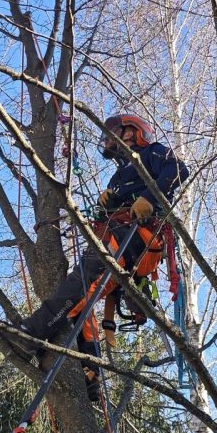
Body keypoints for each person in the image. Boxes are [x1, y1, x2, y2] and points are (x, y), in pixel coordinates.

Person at [19, 113, 189, 394]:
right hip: (116, 238)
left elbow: (178, 170)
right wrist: (106, 204)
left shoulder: (152, 153)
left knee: (85, 279)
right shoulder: (118, 176)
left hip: (141, 236)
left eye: (113, 134)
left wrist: (150, 196)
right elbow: (105, 215)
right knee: (81, 296)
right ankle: (91, 375)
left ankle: (33, 332)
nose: (108, 140)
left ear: (133, 133)